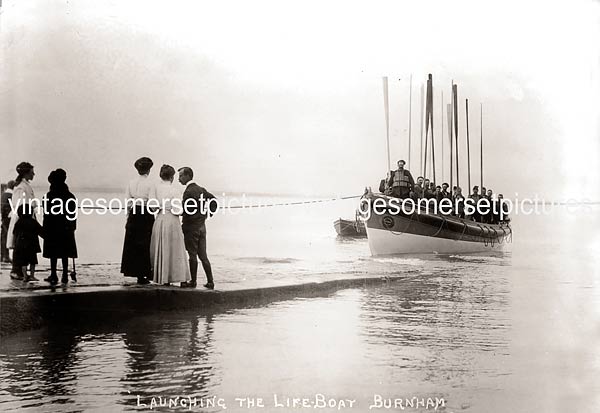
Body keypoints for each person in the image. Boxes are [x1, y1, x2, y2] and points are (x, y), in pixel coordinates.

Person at [150, 165, 191, 286]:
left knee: (162, 248)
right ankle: (181, 278)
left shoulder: (155, 189)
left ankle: (164, 278)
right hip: (172, 220)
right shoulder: (175, 190)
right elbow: (178, 209)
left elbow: (152, 207)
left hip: (160, 219)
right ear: (172, 177)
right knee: (176, 249)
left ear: (160, 176)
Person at [178, 167, 217, 289]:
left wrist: (180, 216)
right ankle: (210, 281)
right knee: (203, 256)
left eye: (181, 176)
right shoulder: (201, 189)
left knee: (192, 255)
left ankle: (193, 281)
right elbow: (213, 201)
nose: (179, 179)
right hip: (202, 227)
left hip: (191, 228)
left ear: (187, 176)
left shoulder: (188, 192)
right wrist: (207, 214)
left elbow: (187, 211)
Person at [121, 157, 156, 285]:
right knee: (145, 243)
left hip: (134, 213)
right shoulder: (151, 183)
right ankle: (143, 274)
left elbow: (128, 202)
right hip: (146, 213)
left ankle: (137, 273)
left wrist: (127, 218)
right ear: (149, 169)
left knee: (134, 243)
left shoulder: (131, 183)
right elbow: (152, 202)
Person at [42, 169, 78, 285]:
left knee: (53, 253)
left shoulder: (48, 196)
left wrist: (45, 229)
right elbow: (73, 215)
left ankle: (53, 274)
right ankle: (64, 275)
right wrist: (72, 227)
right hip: (66, 228)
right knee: (65, 253)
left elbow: (46, 215)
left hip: (52, 228)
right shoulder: (70, 196)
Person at [7, 162, 36, 280]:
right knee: (19, 246)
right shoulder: (21, 187)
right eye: (32, 171)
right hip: (22, 219)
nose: (34, 174)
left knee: (23, 246)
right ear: (26, 173)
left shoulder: (25, 185)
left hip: (26, 218)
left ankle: (20, 271)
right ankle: (15, 270)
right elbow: (20, 205)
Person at [13, 203, 44, 283]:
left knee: (23, 262)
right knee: (32, 261)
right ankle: (32, 276)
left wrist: (15, 244)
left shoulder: (18, 222)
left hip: (21, 245)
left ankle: (25, 276)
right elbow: (41, 231)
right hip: (32, 245)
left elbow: (14, 233)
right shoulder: (33, 222)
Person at [1, 180, 15, 263]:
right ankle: (5, 257)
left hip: (3, 218)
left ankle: (3, 255)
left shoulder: (3, 195)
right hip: (8, 219)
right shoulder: (11, 195)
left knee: (3, 237)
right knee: (7, 237)